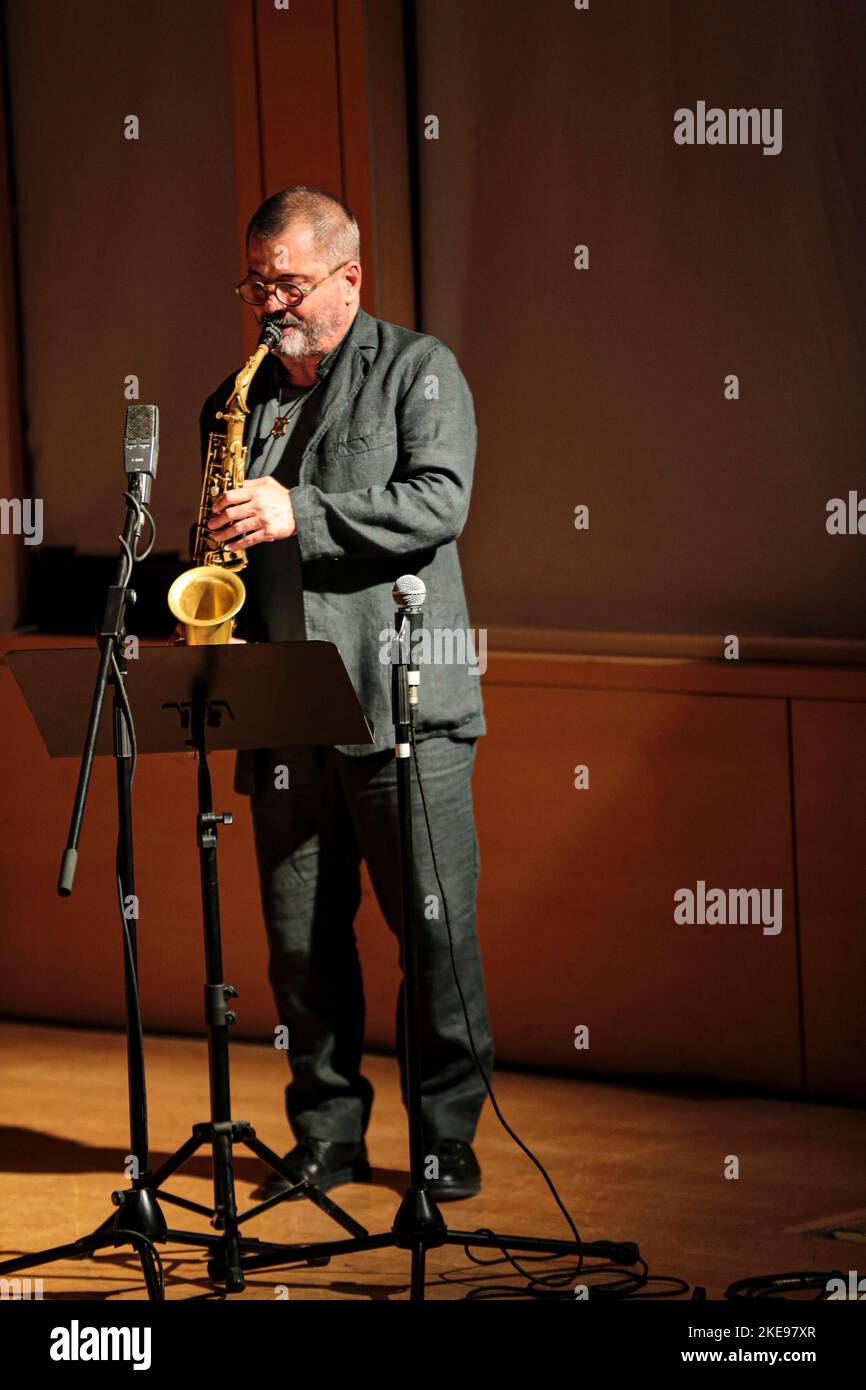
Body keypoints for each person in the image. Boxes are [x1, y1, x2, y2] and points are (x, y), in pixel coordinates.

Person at [197, 185, 493, 1201]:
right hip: (282, 708)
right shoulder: (236, 400)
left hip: (398, 697)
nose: (268, 300)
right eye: (256, 281)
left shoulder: (419, 370)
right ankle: (325, 1132)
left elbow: (437, 502)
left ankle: (445, 1134)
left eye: (286, 280)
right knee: (298, 946)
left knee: (435, 933)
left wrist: (297, 510)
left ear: (348, 276)